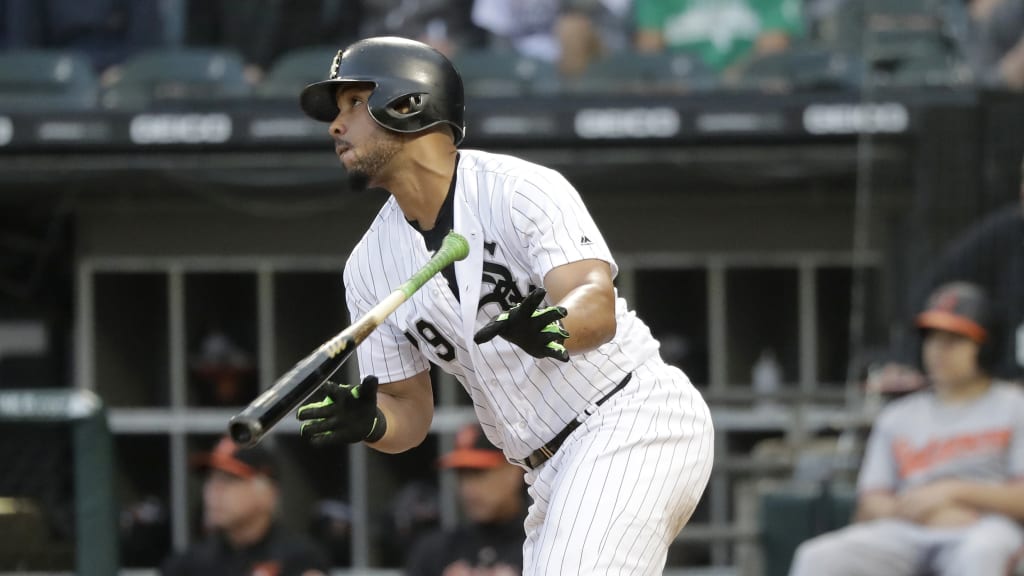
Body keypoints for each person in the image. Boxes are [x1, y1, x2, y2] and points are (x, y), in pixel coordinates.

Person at [291, 36, 715, 575]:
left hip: (629, 418)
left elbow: (595, 301)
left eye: (353, 103)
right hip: (545, 469)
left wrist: (556, 324)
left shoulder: (519, 189)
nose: (335, 124)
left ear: (406, 103)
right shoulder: (368, 266)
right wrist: (374, 420)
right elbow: (410, 413)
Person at [789, 282, 1024, 576]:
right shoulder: (898, 415)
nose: (939, 350)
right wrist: (923, 512)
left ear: (986, 347)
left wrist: (953, 491)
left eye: (954, 339)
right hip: (907, 525)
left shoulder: (1014, 406)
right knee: (817, 557)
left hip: (983, 525)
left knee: (982, 553)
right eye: (932, 338)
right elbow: (870, 502)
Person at [161, 436, 330, 576]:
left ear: (267, 494)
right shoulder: (186, 566)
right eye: (211, 480)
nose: (214, 491)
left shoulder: (300, 560)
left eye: (229, 481)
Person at [406, 423, 528, 576]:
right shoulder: (435, 551)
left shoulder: (545, 547)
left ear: (514, 471)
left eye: (479, 474)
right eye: (462, 475)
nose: (468, 488)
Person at [633, 0, 804, 73]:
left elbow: (771, 56)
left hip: (752, 100)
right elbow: (649, 55)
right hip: (680, 97)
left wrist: (728, 83)